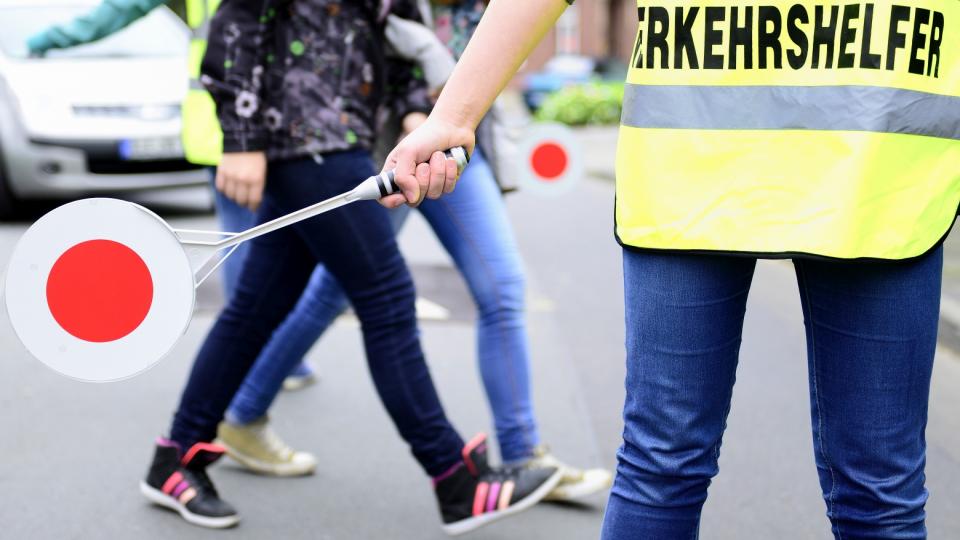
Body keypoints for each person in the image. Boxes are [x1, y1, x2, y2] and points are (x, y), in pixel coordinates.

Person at [384, 0, 960, 538]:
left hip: (855, 163)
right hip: (762, 156)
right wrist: (453, 116)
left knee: (670, 467)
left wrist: (455, 116)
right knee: (866, 489)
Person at [136, 0, 563, 533]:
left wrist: (418, 115)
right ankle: (456, 479)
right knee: (386, 299)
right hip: (305, 139)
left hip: (338, 137)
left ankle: (173, 459)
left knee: (253, 309)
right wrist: (241, 141)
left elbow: (396, 34)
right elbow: (236, 22)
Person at [214, 0, 613, 503]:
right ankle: (243, 415)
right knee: (332, 291)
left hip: (454, 148)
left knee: (502, 288)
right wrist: (409, 113)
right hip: (382, 150)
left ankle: (522, 455)